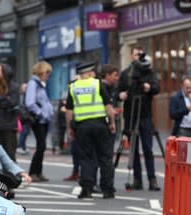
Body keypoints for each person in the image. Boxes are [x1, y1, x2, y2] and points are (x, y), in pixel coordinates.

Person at [66, 61, 116, 199]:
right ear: (88, 73)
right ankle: (107, 189)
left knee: (86, 158)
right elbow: (108, 106)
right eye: (92, 72)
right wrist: (112, 122)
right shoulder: (97, 84)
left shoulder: (73, 87)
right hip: (100, 125)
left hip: (82, 127)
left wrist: (70, 127)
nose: (94, 74)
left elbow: (69, 111)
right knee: (105, 157)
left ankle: (87, 189)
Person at [117, 45, 161, 191]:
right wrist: (120, 95)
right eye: (136, 55)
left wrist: (149, 87)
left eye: (140, 55)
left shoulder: (148, 72)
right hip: (131, 115)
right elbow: (118, 92)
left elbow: (157, 88)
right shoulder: (126, 74)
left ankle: (152, 179)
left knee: (148, 148)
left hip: (145, 114)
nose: (138, 57)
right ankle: (137, 178)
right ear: (131, 56)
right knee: (133, 149)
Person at [25, 61, 55, 182]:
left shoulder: (41, 84)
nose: (48, 75)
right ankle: (33, 172)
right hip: (38, 120)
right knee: (41, 146)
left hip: (44, 120)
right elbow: (30, 103)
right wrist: (41, 113)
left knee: (42, 146)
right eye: (47, 72)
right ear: (42, 72)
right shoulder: (34, 84)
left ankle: (38, 171)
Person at [0, 64, 21, 161]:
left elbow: (12, 103)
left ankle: (9, 176)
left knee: (9, 155)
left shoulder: (14, 87)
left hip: (9, 126)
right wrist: (4, 98)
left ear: (4, 73)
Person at [17, 82, 32, 156]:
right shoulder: (21, 96)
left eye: (26, 87)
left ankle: (23, 146)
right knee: (24, 132)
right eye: (24, 87)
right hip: (23, 117)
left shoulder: (28, 95)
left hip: (27, 117)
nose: (25, 89)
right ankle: (20, 146)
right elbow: (21, 107)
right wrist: (25, 115)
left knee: (25, 132)